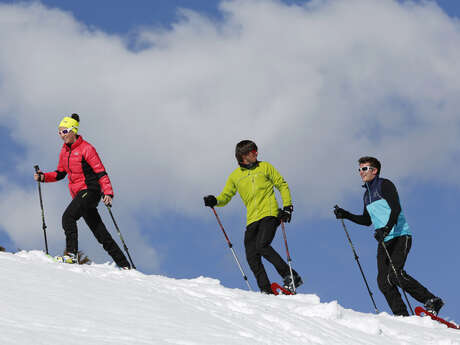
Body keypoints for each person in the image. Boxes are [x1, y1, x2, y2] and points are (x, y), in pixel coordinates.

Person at [334, 156, 443, 316]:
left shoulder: (384, 185)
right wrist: (346, 214)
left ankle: (432, 300)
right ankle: (402, 315)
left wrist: (386, 228)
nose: (361, 172)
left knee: (395, 274)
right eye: (359, 169)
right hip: (384, 240)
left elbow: (396, 208)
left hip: (400, 235)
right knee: (383, 282)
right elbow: (366, 221)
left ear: (374, 170)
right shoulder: (367, 195)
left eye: (364, 169)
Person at [203, 140, 302, 294]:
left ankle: (291, 276)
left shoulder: (265, 167)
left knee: (262, 245)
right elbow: (226, 196)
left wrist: (287, 207)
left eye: (256, 150)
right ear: (243, 156)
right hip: (252, 219)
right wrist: (215, 201)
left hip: (269, 214)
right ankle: (266, 290)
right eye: (252, 151)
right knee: (251, 255)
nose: (256, 153)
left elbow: (281, 184)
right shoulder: (235, 176)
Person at [34, 114, 130, 268]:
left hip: (91, 191)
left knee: (68, 217)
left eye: (64, 131)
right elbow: (60, 173)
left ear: (73, 130)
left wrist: (108, 193)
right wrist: (43, 177)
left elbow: (101, 172)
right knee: (100, 233)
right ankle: (125, 266)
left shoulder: (87, 149)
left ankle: (71, 255)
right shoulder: (64, 151)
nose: (61, 135)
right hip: (79, 195)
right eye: (59, 132)